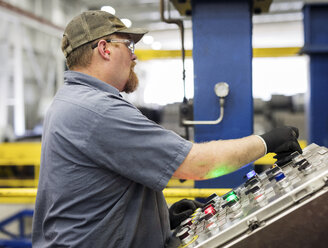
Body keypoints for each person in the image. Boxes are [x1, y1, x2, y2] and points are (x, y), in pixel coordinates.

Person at [31, 10, 302, 248]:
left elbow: (93, 193)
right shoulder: (97, 109)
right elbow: (197, 165)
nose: (134, 55)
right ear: (105, 48)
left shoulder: (69, 100)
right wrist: (266, 142)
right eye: (128, 45)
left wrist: (160, 220)